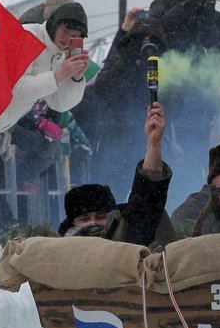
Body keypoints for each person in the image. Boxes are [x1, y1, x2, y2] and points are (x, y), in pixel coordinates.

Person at [149, 0, 220, 194]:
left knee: (193, 158)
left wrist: (207, 14)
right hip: (166, 96)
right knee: (161, 156)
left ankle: (188, 201)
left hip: (197, 103)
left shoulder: (214, 17)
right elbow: (160, 28)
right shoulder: (166, 2)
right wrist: (192, 3)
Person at [0, 0, 89, 192]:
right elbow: (15, 89)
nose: (67, 39)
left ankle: (17, 195)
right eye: (65, 31)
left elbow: (59, 104)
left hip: (3, 124)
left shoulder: (60, 53)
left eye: (74, 36)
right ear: (53, 24)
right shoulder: (28, 37)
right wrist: (58, 76)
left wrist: (75, 78)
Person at [58, 103, 173, 248]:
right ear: (73, 223)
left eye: (100, 217)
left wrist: (154, 143)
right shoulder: (59, 255)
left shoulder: (128, 239)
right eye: (84, 218)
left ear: (112, 217)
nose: (93, 223)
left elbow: (147, 195)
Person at [76, 10, 166, 191]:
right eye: (142, 41)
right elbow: (103, 87)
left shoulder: (163, 69)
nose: (146, 47)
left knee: (144, 193)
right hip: (113, 141)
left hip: (145, 139)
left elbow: (172, 104)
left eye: (152, 42)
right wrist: (128, 58)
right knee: (109, 192)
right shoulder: (122, 61)